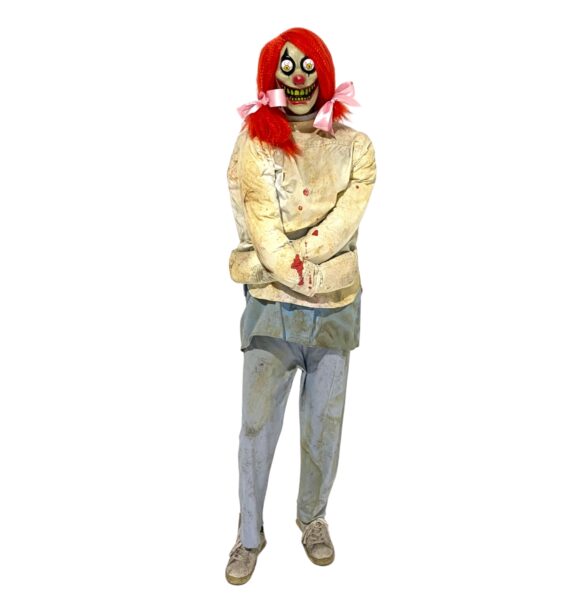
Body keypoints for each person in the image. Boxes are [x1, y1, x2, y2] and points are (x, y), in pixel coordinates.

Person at [225, 27, 376, 585]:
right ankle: (248, 534)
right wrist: (301, 266)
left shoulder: (356, 147)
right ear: (272, 74)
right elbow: (262, 223)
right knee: (256, 426)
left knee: (324, 424)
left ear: (324, 72)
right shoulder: (254, 143)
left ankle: (313, 519)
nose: (298, 76)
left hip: (335, 308)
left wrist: (294, 261)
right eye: (287, 66)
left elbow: (344, 221)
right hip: (270, 309)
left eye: (308, 65)